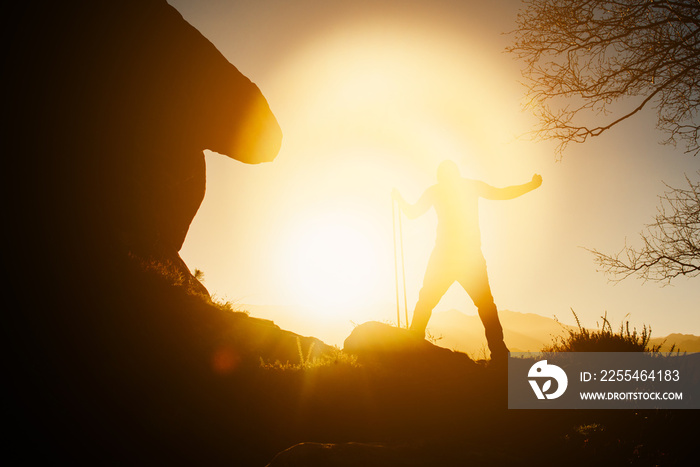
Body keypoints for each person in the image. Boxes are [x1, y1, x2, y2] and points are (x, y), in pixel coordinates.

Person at [392, 160, 542, 363]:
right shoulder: (469, 186)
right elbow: (501, 193)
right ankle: (499, 354)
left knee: (426, 301)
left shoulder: (436, 191)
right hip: (468, 256)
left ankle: (411, 345)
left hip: (446, 255)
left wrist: (399, 199)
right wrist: (530, 186)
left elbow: (412, 213)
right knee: (485, 305)